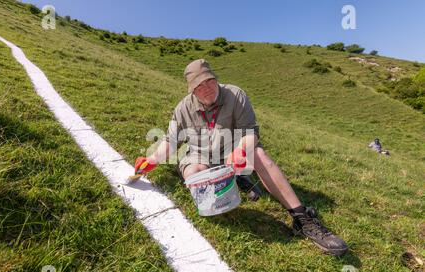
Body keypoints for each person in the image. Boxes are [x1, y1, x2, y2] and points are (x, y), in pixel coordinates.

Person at [134, 59, 348, 256]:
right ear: (192, 90)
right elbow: (172, 141)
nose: (206, 88)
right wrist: (152, 159)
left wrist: (241, 150)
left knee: (258, 154)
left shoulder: (236, 95)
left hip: (233, 150)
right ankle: (236, 181)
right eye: (199, 86)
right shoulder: (183, 108)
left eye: (209, 81)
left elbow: (250, 133)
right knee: (194, 173)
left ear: (215, 78)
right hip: (202, 155)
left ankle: (302, 219)